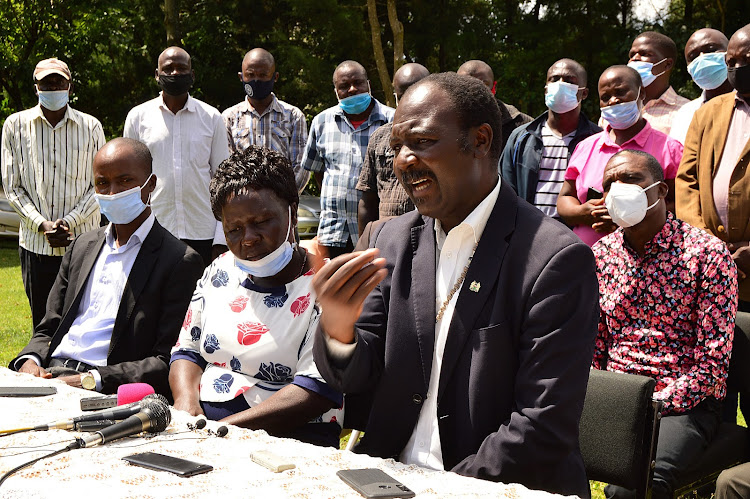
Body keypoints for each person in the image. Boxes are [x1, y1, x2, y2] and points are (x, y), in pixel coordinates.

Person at [312, 73, 599, 497]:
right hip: (389, 478)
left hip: (496, 486)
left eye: (422, 142)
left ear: (481, 140)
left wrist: (442, 490)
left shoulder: (554, 260)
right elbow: (355, 378)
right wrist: (338, 330)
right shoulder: (385, 240)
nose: (404, 160)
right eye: (397, 147)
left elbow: (541, 425)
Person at [169, 146, 343, 447]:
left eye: (261, 222)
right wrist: (186, 403)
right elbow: (187, 350)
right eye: (234, 228)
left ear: (292, 209)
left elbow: (315, 391)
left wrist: (219, 431)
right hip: (203, 433)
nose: (248, 237)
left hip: (289, 443)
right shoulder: (218, 271)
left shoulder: (326, 287)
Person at [592, 149, 737, 499]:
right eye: (609, 183)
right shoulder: (600, 255)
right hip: (615, 397)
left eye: (630, 179)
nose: (618, 189)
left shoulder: (706, 254)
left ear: (661, 191)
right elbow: (595, 345)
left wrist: (652, 405)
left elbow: (713, 363)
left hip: (682, 404)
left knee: (633, 489)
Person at [8, 138, 204, 396]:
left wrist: (88, 380)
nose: (112, 193)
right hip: (50, 375)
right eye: (102, 183)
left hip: (104, 389)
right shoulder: (82, 246)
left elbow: (165, 359)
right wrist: (30, 362)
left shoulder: (179, 260)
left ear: (151, 185)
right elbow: (48, 326)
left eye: (124, 181)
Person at [676, 23, 750, 422]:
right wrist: (706, 243)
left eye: (745, 59)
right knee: (714, 372)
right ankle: (714, 456)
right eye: (731, 61)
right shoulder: (708, 113)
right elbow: (686, 180)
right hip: (711, 271)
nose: (736, 67)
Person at [1, 58, 105, 328]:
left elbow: (101, 185)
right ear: (36, 87)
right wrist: (42, 225)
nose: (53, 87)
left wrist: (68, 222)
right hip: (36, 245)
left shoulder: (91, 126)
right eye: (47, 83)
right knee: (42, 323)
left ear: (69, 86)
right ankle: (41, 368)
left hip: (83, 242)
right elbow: (12, 187)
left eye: (59, 82)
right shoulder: (15, 125)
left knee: (83, 319)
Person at [124, 46, 230, 266]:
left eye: (181, 68)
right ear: (157, 74)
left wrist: (221, 238)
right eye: (168, 68)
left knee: (201, 299)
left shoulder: (211, 117)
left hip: (202, 231)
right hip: (153, 229)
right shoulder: (138, 117)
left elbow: (224, 181)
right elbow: (129, 180)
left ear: (192, 75)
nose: (174, 73)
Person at [557, 65, 683, 246]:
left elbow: (683, 202)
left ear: (641, 94)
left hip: (648, 259)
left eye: (621, 92)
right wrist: (584, 213)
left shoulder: (669, 148)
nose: (613, 101)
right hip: (587, 257)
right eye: (605, 97)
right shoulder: (586, 147)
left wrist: (630, 215)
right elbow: (565, 197)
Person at [301, 60, 394, 258]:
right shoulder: (322, 122)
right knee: (336, 286)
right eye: (344, 86)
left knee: (375, 287)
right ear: (336, 91)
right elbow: (318, 171)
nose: (352, 89)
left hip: (379, 229)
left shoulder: (391, 121)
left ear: (368, 85)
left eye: (357, 83)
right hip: (334, 230)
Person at [500, 58, 600, 220]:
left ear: (584, 93)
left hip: (576, 235)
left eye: (569, 81)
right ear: (546, 89)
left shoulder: (596, 140)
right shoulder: (521, 137)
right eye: (554, 79)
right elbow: (506, 189)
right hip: (528, 232)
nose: (560, 84)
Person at [222, 48, 309, 193]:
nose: (256, 80)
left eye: (263, 75)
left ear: (275, 77)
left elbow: (301, 166)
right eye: (250, 75)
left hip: (281, 204)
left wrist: (284, 197)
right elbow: (226, 165)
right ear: (241, 77)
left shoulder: (293, 116)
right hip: (243, 204)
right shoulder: (229, 117)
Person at [356, 63, 429, 235]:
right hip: (387, 238)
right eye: (403, 95)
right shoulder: (380, 137)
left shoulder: (441, 136)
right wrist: (366, 244)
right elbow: (367, 198)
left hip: (429, 236)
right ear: (396, 97)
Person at [670, 28, 734, 144]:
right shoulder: (685, 114)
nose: (702, 57)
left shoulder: (746, 104)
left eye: (711, 50)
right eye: (693, 57)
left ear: (730, 53)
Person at [622, 31, 690, 135]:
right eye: (632, 55)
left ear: (667, 64)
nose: (635, 58)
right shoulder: (617, 109)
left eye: (644, 54)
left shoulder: (687, 111)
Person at [457, 60, 532, 150]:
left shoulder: (522, 126)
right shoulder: (443, 121)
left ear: (494, 88)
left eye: (484, 85)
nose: (474, 92)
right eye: (464, 86)